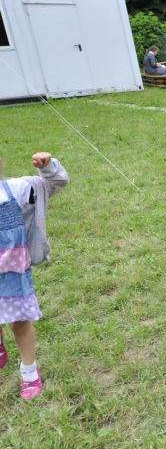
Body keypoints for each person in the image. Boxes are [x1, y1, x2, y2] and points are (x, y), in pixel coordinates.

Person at [0, 151, 69, 400]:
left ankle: (29, 371)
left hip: (12, 276)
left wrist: (48, 167)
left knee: (18, 323)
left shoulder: (15, 190)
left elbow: (56, 182)